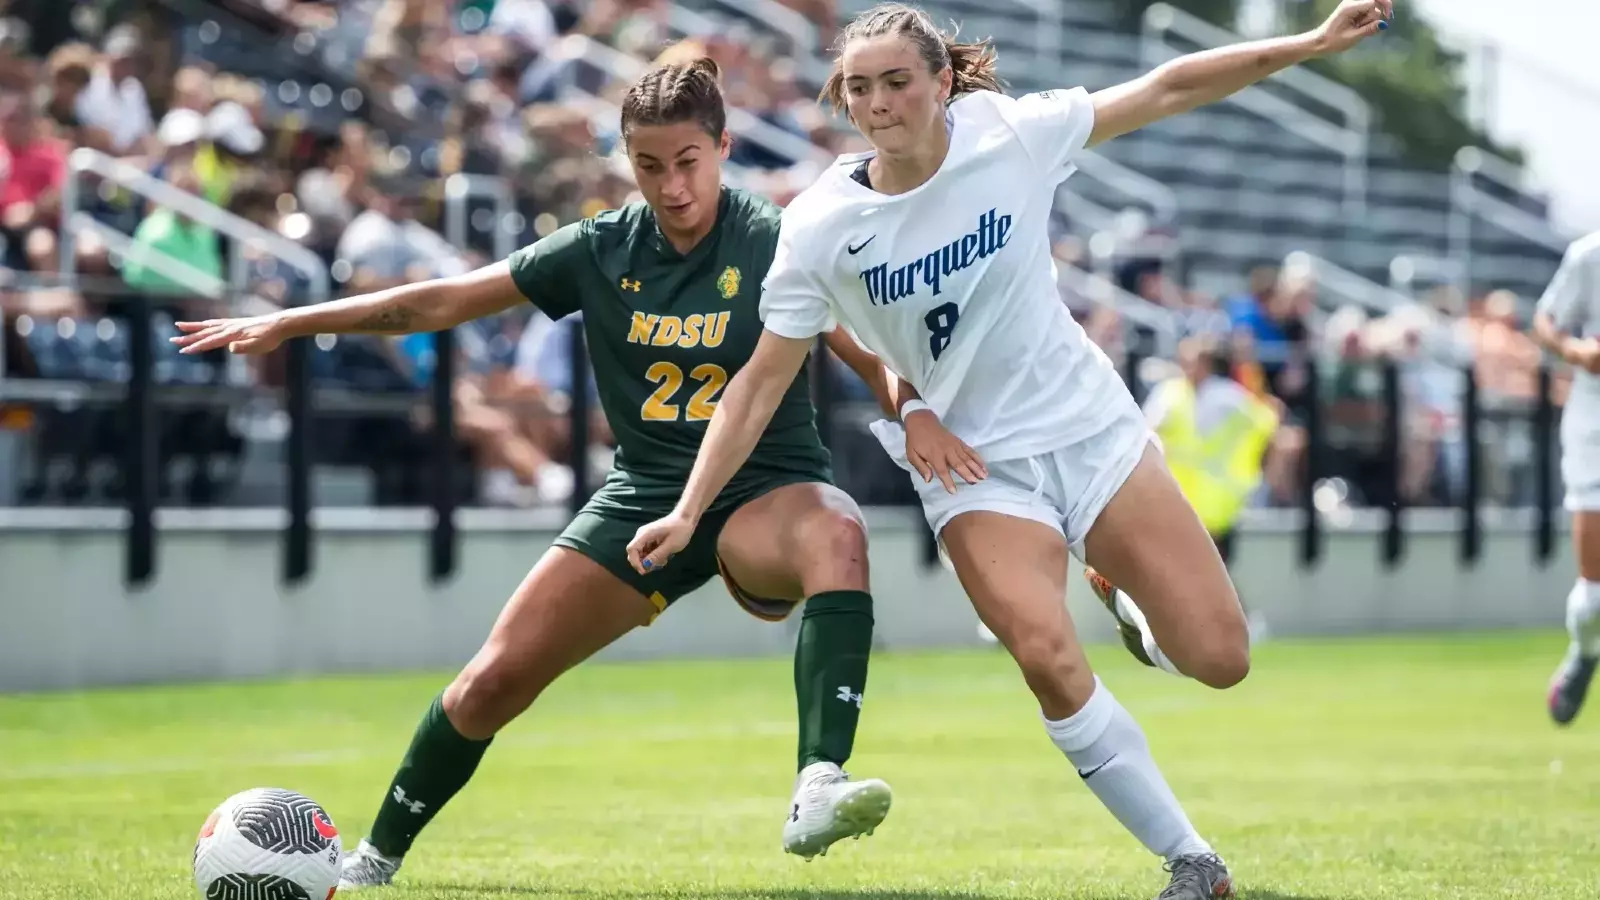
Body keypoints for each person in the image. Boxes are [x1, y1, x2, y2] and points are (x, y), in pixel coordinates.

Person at [624, 4, 1391, 898]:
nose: (878, 103)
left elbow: (1170, 83)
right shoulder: (821, 224)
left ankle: (1126, 605)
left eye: (898, 81)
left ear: (943, 81)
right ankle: (1193, 861)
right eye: (860, 87)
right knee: (1043, 653)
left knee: (1222, 658)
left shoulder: (1014, 134)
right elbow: (758, 381)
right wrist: (688, 508)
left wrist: (1308, 43)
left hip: (1088, 428)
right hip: (976, 469)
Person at [171, 57, 974, 888]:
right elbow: (443, 301)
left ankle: (818, 782)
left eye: (688, 162)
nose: (671, 186)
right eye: (649, 166)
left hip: (764, 493)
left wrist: (912, 409)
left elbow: (866, 349)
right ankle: (373, 861)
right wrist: (294, 321)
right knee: (490, 683)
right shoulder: (600, 247)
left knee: (839, 530)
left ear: (724, 147)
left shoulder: (776, 237)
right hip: (642, 499)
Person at [1083, 334, 1279, 657]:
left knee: (1211, 566)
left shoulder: (1227, 398)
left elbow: (1266, 425)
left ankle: (1228, 623)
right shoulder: (1172, 394)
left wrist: (1252, 472)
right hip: (1179, 494)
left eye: (1191, 359)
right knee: (1190, 564)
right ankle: (1181, 624)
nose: (1184, 365)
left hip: (1215, 501)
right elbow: (1144, 429)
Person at [1531, 230, 1600, 725]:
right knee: (1594, 596)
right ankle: (1585, 651)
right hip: (1594, 431)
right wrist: (1576, 353)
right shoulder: (1589, 256)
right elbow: (1545, 322)